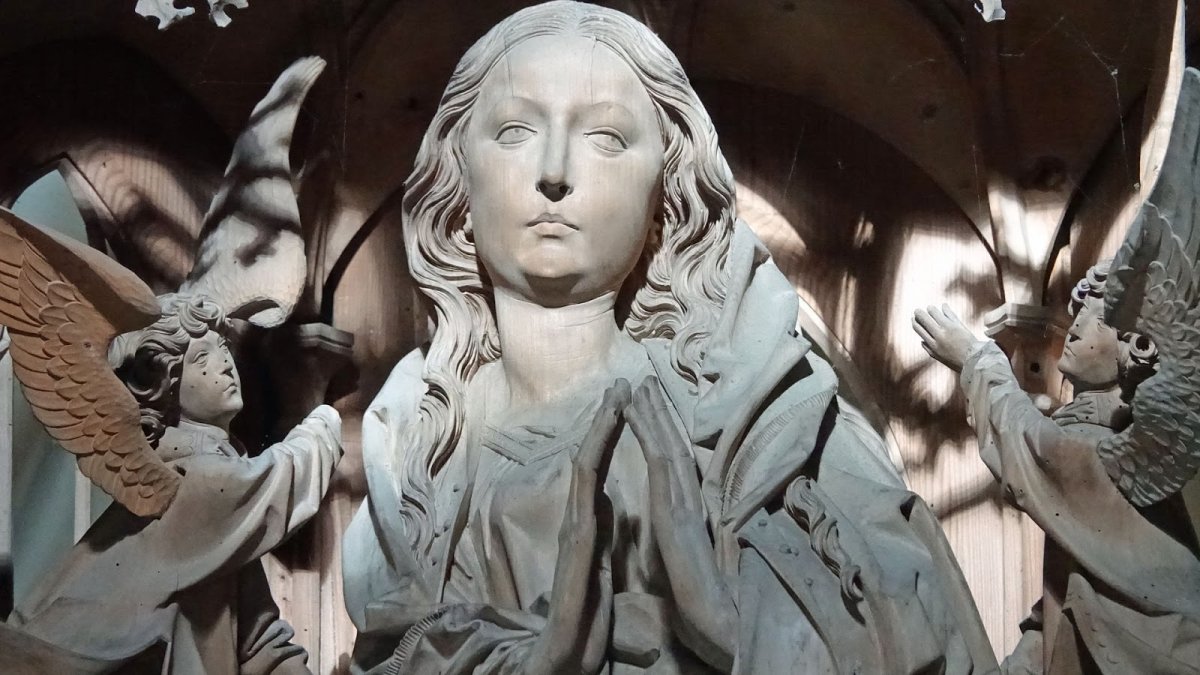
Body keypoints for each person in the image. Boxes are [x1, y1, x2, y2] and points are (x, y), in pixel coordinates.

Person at [345, 2, 996, 673]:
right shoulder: (413, 445)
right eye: (514, 130)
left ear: (665, 197)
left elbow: (908, 634)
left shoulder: (761, 415)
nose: (554, 171)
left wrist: (715, 612)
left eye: (605, 137)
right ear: (456, 182)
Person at [6, 293, 343, 674]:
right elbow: (274, 482)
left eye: (224, 349)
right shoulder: (184, 479)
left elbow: (257, 640)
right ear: (165, 384)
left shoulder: (224, 519)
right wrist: (322, 427)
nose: (225, 365)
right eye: (201, 358)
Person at [914, 263, 1200, 673]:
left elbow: (1037, 452)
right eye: (1078, 313)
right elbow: (1070, 604)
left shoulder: (1118, 446)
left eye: (1098, 320)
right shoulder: (1088, 436)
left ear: (1136, 349)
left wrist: (978, 360)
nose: (1076, 328)